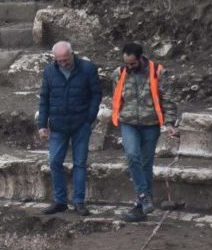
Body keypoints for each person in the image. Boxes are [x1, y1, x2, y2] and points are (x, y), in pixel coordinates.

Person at [111, 42, 178, 222]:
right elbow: (117, 97)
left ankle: (141, 208)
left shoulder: (158, 71)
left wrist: (170, 122)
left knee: (146, 164)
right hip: (128, 122)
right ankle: (144, 196)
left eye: (132, 63)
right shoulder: (119, 73)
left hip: (151, 124)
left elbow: (169, 99)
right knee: (132, 155)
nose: (129, 67)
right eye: (126, 63)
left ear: (141, 58)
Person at [36, 41, 102, 216]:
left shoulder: (87, 68)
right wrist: (42, 124)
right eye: (60, 61)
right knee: (55, 162)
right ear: (55, 59)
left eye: (66, 60)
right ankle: (60, 201)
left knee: (79, 163)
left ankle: (79, 202)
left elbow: (96, 94)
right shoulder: (50, 72)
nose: (63, 64)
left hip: (81, 123)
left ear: (72, 54)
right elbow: (44, 98)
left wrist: (90, 118)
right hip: (58, 125)